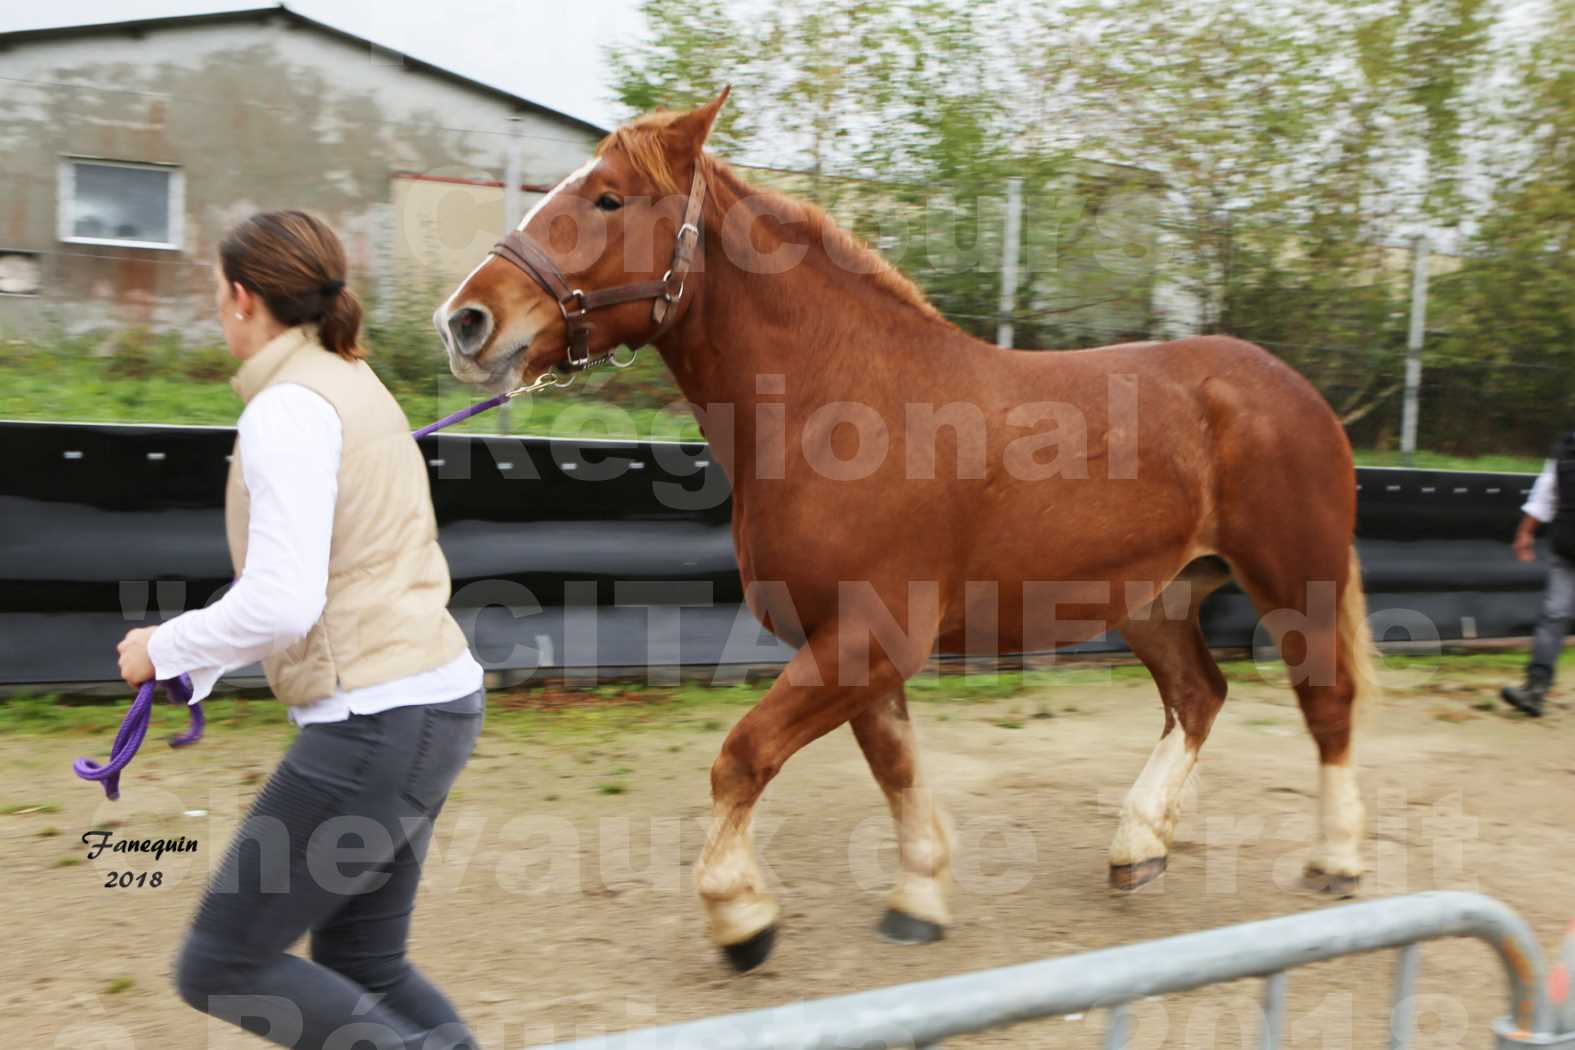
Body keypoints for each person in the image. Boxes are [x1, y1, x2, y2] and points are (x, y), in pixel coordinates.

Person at [114, 210, 485, 1049]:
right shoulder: (350, 380)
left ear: (244, 298)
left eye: (217, 293)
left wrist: (162, 648)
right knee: (363, 963)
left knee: (221, 965)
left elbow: (284, 600)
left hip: (376, 723)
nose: (217, 309)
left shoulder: (287, 411)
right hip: (429, 705)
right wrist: (195, 669)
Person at [1501, 431, 1575, 717]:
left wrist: (1525, 533)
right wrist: (1525, 533)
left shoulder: (1565, 452)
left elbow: (1543, 495)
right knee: (1554, 616)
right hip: (1568, 550)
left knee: (1553, 616)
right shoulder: (1565, 453)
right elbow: (1545, 494)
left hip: (1567, 546)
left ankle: (1535, 689)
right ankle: (1535, 690)